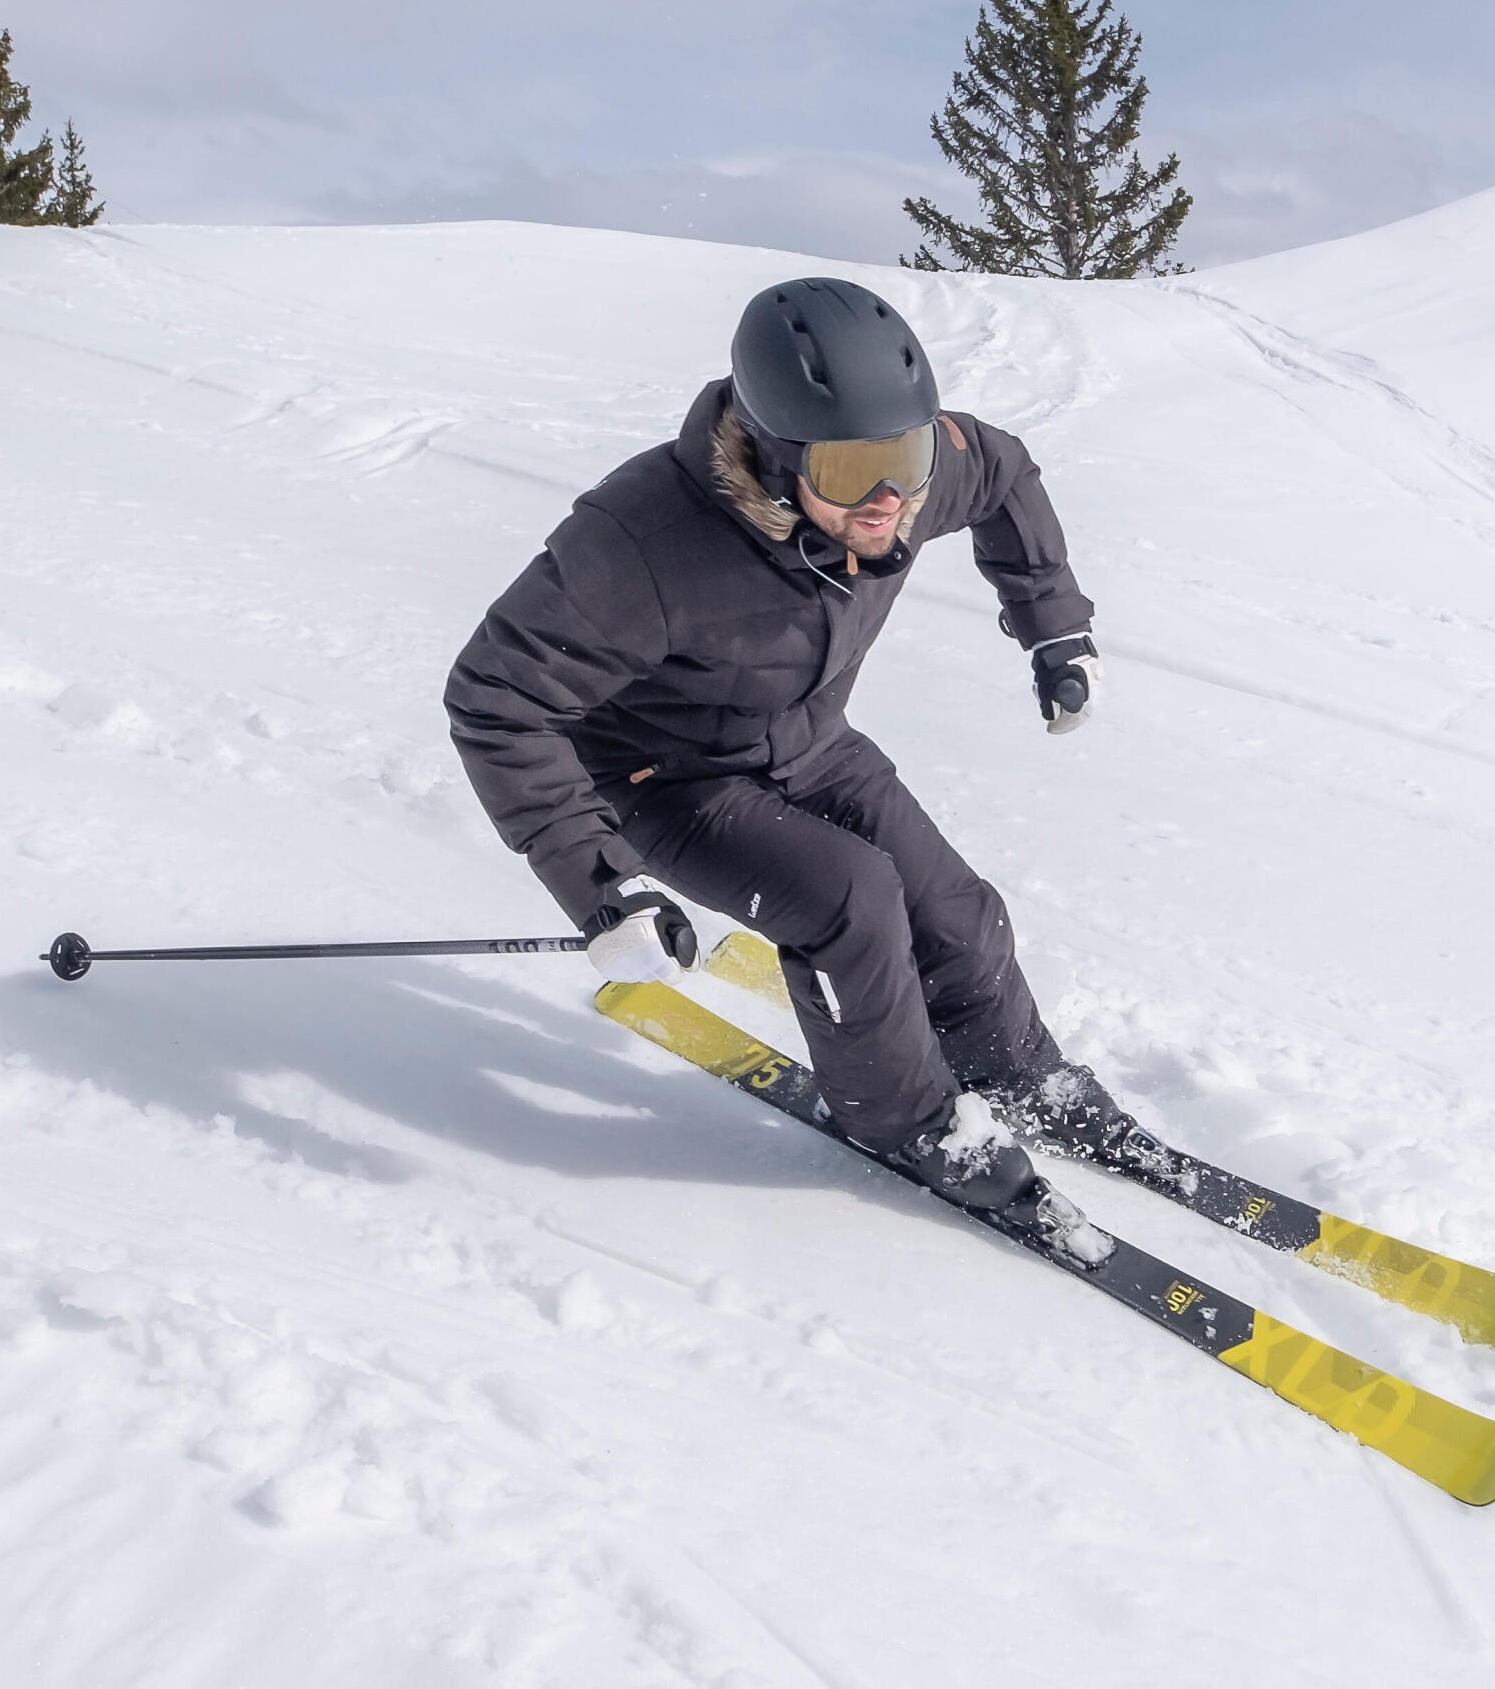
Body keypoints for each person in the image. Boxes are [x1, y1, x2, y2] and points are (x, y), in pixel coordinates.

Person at [445, 278, 1144, 1239]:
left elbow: (1008, 473)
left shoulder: (909, 481)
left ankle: (1019, 1076)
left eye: (906, 457)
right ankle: (912, 1123)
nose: (890, 499)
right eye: (855, 471)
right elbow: (495, 697)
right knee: (851, 901)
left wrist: (1053, 630)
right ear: (776, 459)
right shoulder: (644, 540)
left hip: (811, 738)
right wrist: (602, 887)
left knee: (959, 913)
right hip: (664, 778)